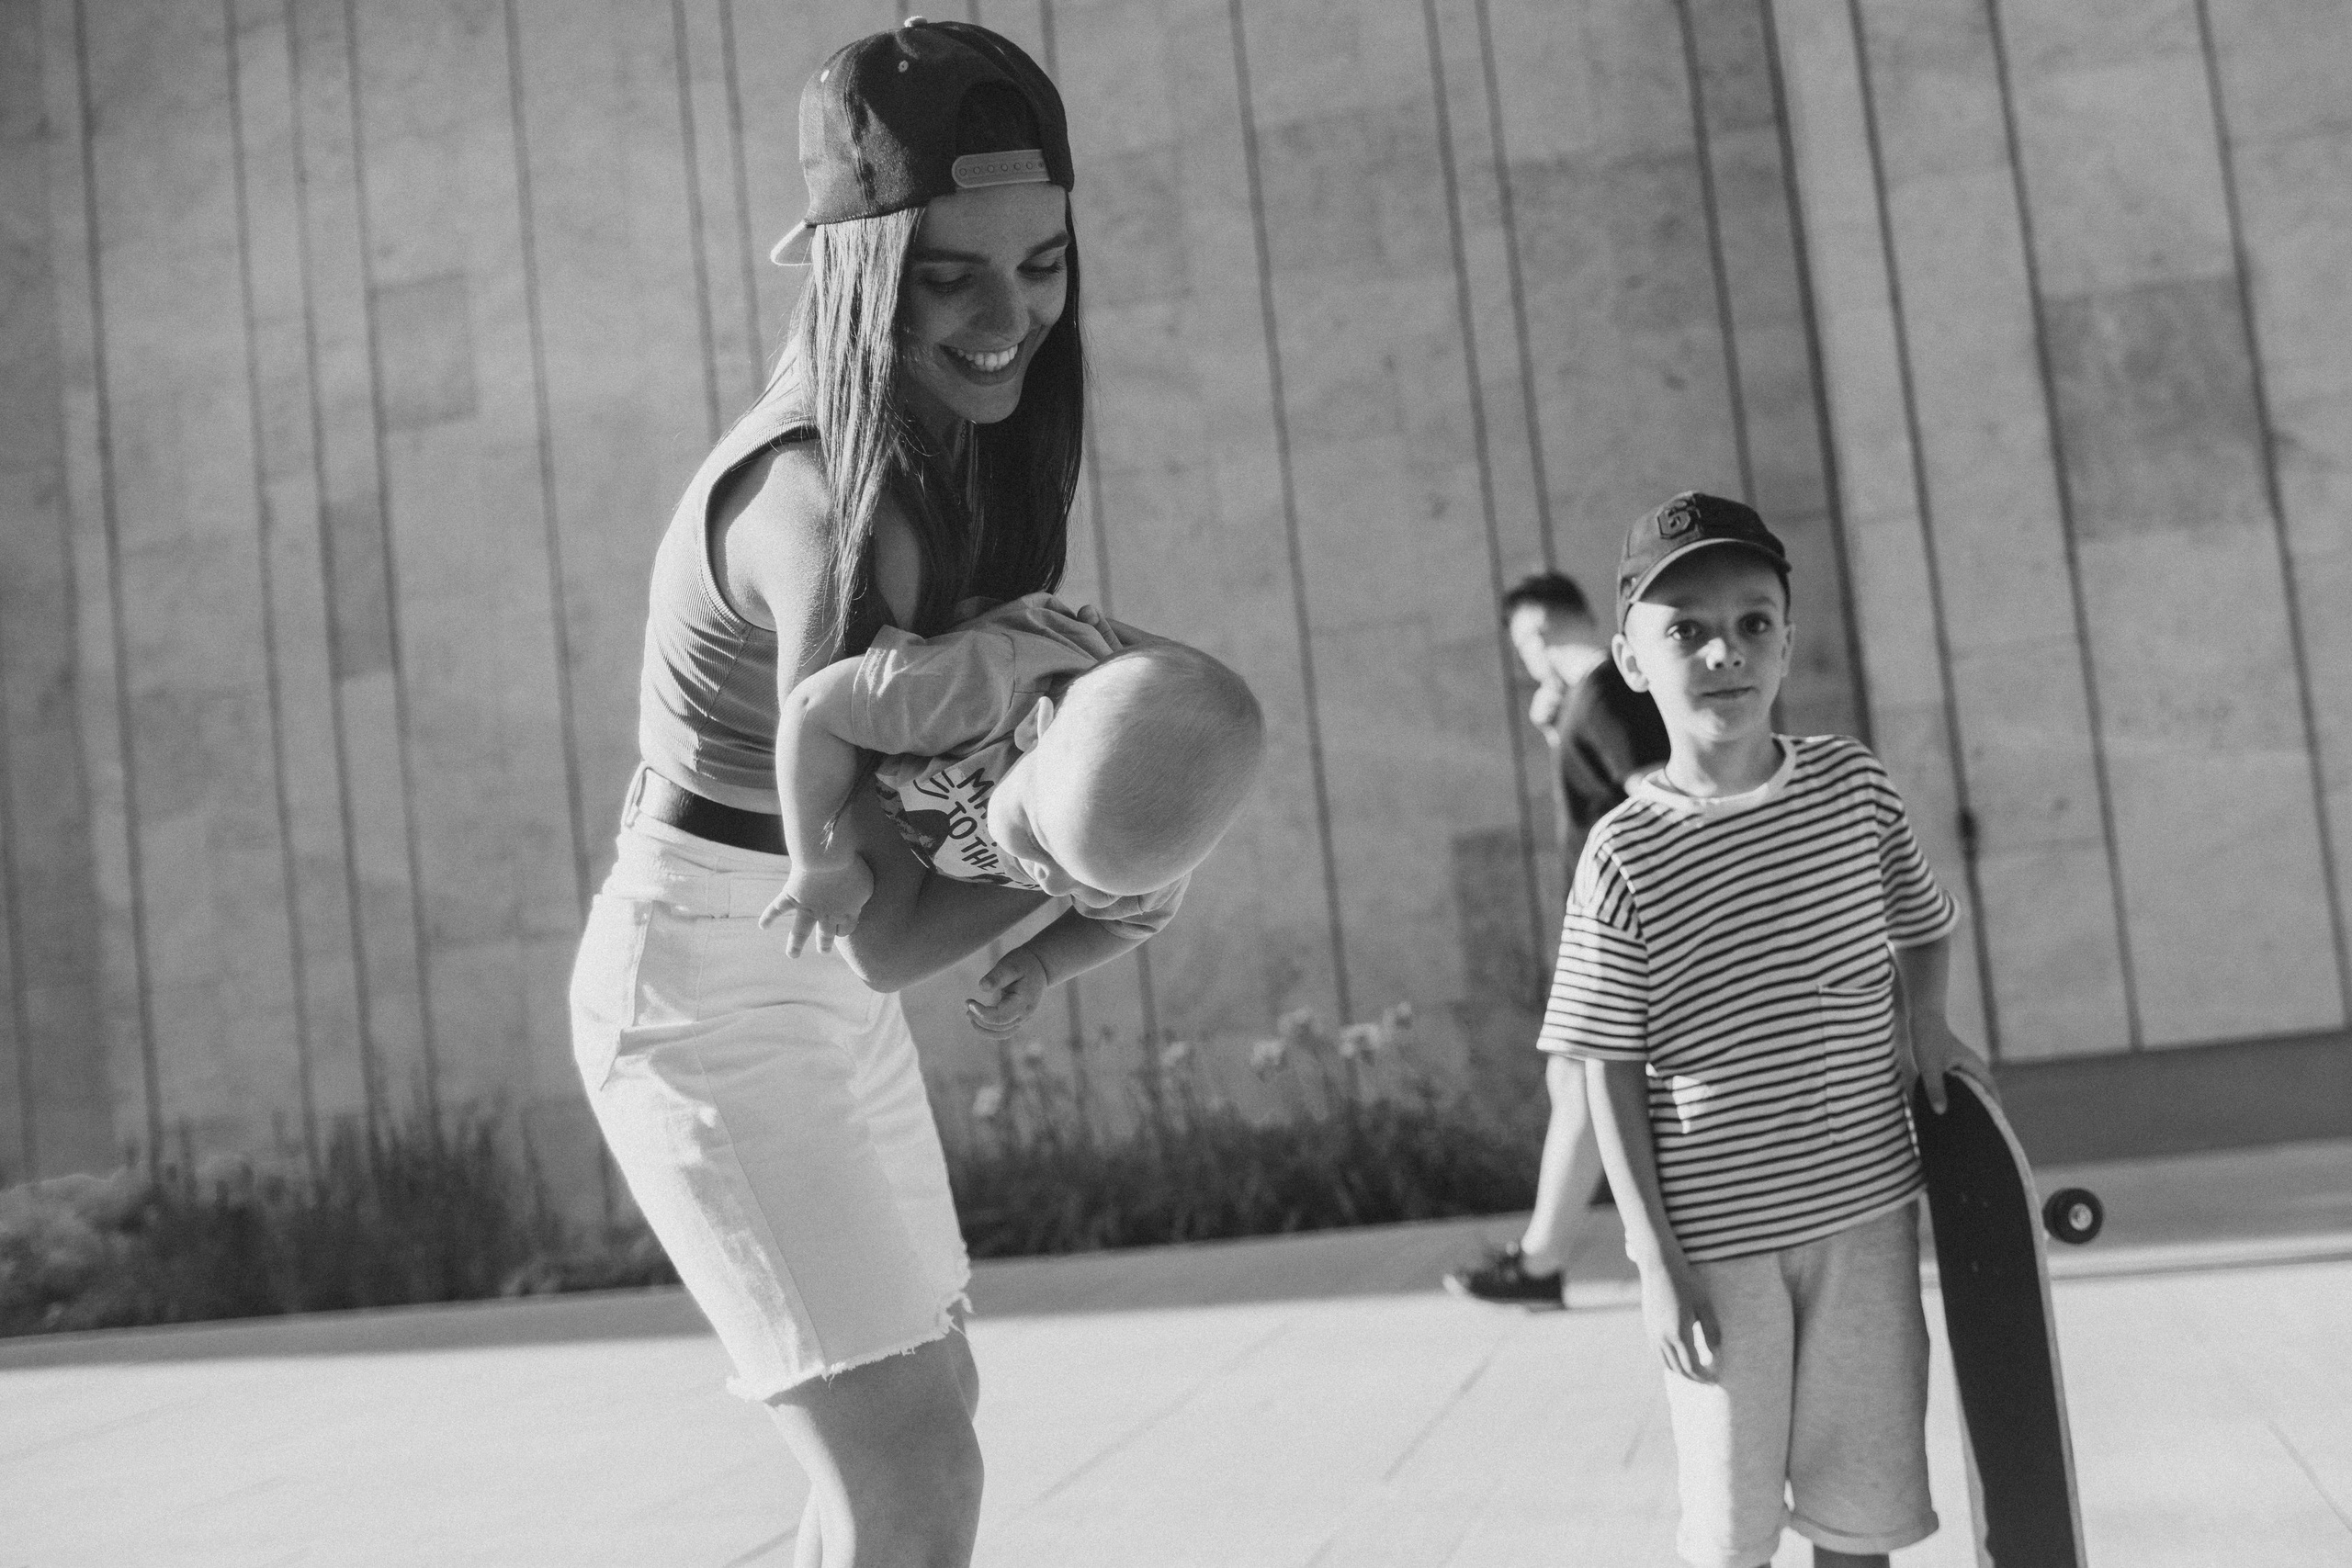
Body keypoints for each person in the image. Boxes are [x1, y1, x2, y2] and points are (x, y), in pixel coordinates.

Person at [567, 21, 1104, 1566]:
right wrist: (1104, 838)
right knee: (912, 1481)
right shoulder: (827, 505)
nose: (1012, 316)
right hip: (711, 990)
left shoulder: (940, 451)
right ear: (858, 265)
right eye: (952, 275)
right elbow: (882, 924)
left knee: (924, 1418)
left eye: (1044, 261)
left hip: (793, 971)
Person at [1543, 491, 1978, 1568]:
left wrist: (1928, 1023)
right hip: (1717, 1250)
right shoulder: (1623, 855)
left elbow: (1924, 926)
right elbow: (1605, 1065)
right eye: (1683, 629)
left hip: (1865, 1222)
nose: (1723, 651)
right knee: (1732, 1532)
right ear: (1630, 662)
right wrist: (1653, 1259)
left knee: (1860, 1508)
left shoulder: (1851, 790)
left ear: (1787, 639)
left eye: (1752, 623)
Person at [766, 592, 1264, 1037]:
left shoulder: (1138, 865)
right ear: (1033, 731)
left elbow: (1129, 924)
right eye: (1039, 839)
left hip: (944, 826)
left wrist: (1044, 963)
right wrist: (820, 863)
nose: (1050, 884)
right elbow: (813, 708)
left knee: (885, 967)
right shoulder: (985, 691)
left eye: (1091, 887)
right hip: (916, 760)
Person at [1446, 570, 1668, 1305]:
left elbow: (1653, 793)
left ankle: (1541, 1262)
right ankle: (1543, 1256)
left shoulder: (1605, 693)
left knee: (1581, 1080)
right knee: (1571, 1079)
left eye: (1523, 644)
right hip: (1603, 920)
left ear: (1537, 631)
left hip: (1620, 922)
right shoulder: (1588, 699)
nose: (1525, 662)